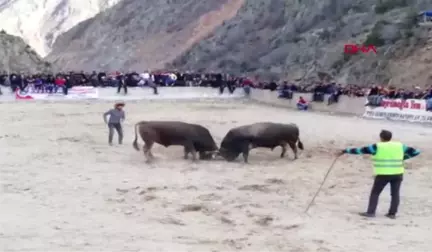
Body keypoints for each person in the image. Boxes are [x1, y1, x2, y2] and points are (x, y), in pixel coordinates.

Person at [339, 130, 420, 219]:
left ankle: (371, 212)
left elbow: (360, 150)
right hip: (398, 173)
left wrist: (345, 150)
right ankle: (392, 214)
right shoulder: (400, 146)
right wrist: (403, 158)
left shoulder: (377, 146)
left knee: (375, 193)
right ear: (390, 137)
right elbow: (416, 152)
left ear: (381, 137)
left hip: (383, 174)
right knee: (395, 194)